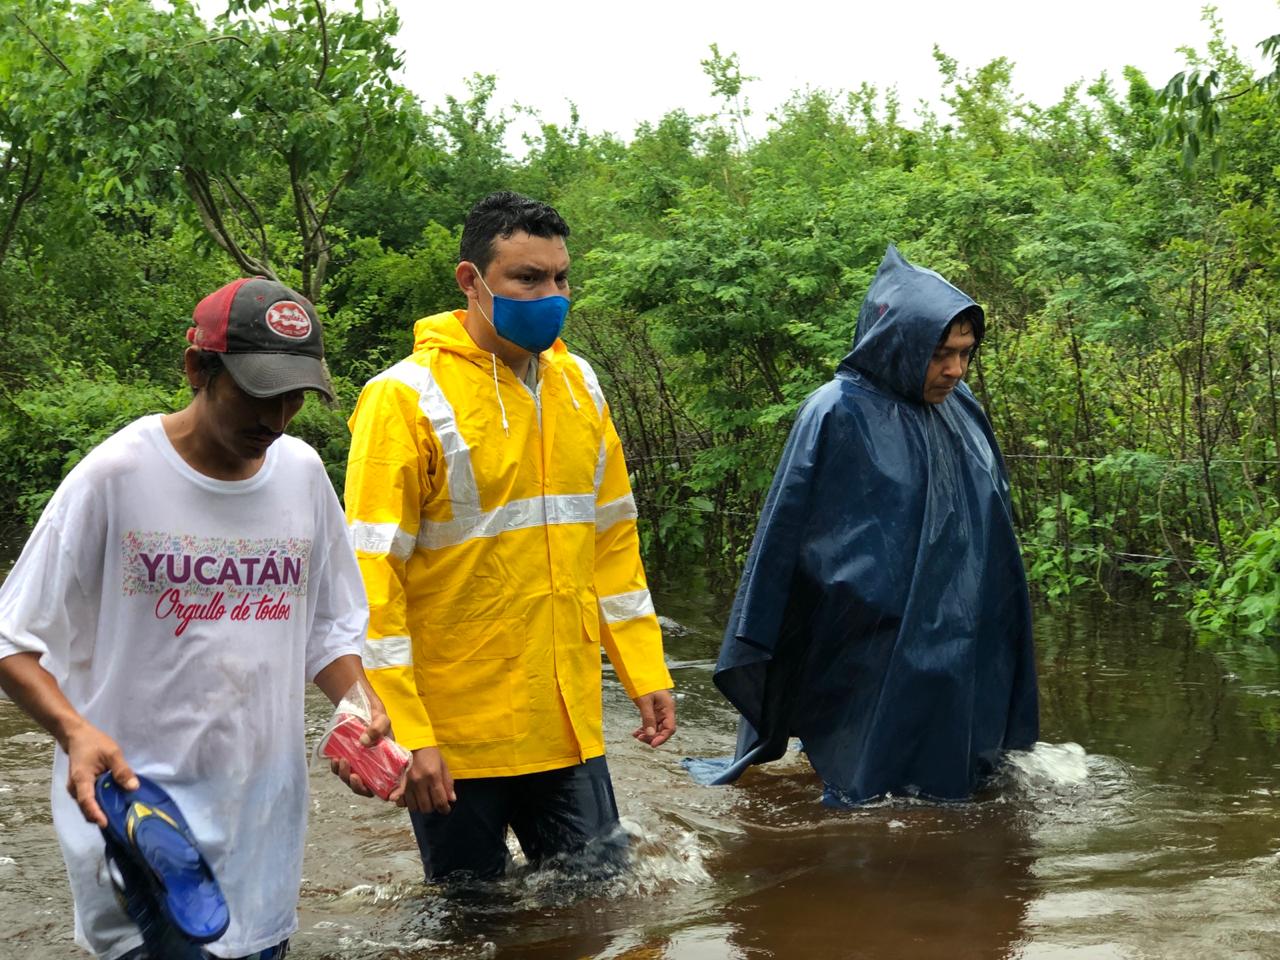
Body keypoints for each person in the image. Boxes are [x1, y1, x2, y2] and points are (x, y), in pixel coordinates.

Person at [0, 277, 393, 959]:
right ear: (197, 369)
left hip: (263, 829)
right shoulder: (116, 477)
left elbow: (331, 625)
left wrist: (358, 704)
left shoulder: (300, 474)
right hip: (140, 818)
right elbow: (11, 638)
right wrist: (74, 730)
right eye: (258, 393)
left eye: (293, 398)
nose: (276, 419)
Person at [345, 191, 675, 880]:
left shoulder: (580, 385)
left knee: (602, 913)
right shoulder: (403, 397)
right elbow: (371, 578)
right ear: (471, 281)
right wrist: (409, 728)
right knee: (471, 925)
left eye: (559, 278)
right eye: (527, 279)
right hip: (458, 736)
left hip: (567, 721)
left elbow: (612, 541)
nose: (550, 295)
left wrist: (643, 669)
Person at [699, 244, 1039, 805]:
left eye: (966, 353)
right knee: (869, 802)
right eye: (941, 354)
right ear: (898, 342)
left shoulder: (961, 407)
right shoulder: (836, 411)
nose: (955, 369)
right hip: (867, 641)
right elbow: (786, 544)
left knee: (965, 793)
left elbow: (992, 522)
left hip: (960, 637)